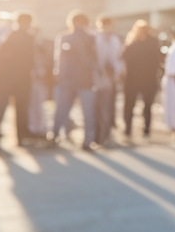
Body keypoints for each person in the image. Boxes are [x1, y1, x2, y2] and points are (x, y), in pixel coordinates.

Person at [51, 11, 99, 150]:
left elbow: (59, 60)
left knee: (65, 110)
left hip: (73, 81)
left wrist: (59, 76)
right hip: (78, 81)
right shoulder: (87, 38)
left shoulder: (68, 37)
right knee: (80, 112)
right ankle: (86, 141)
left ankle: (56, 137)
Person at [0, 13, 36, 153]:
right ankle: (0, 139)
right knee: (3, 109)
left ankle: (13, 137)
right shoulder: (20, 37)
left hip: (13, 80)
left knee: (15, 109)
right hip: (13, 80)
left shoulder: (9, 36)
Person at [122, 20, 162, 138]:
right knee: (130, 105)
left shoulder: (152, 42)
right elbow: (124, 59)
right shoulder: (132, 42)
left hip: (148, 80)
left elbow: (157, 60)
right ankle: (128, 128)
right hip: (132, 80)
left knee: (148, 106)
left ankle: (146, 129)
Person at [94, 16, 123, 146]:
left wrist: (117, 74)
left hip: (110, 77)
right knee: (97, 107)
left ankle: (106, 134)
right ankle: (98, 134)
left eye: (109, 24)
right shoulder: (94, 37)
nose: (107, 27)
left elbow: (117, 58)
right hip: (97, 76)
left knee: (108, 105)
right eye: (104, 24)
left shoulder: (115, 39)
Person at [29, 31, 54, 139]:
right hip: (34, 81)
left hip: (40, 82)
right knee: (34, 107)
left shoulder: (41, 49)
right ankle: (35, 129)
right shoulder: (31, 50)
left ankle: (41, 128)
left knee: (40, 106)